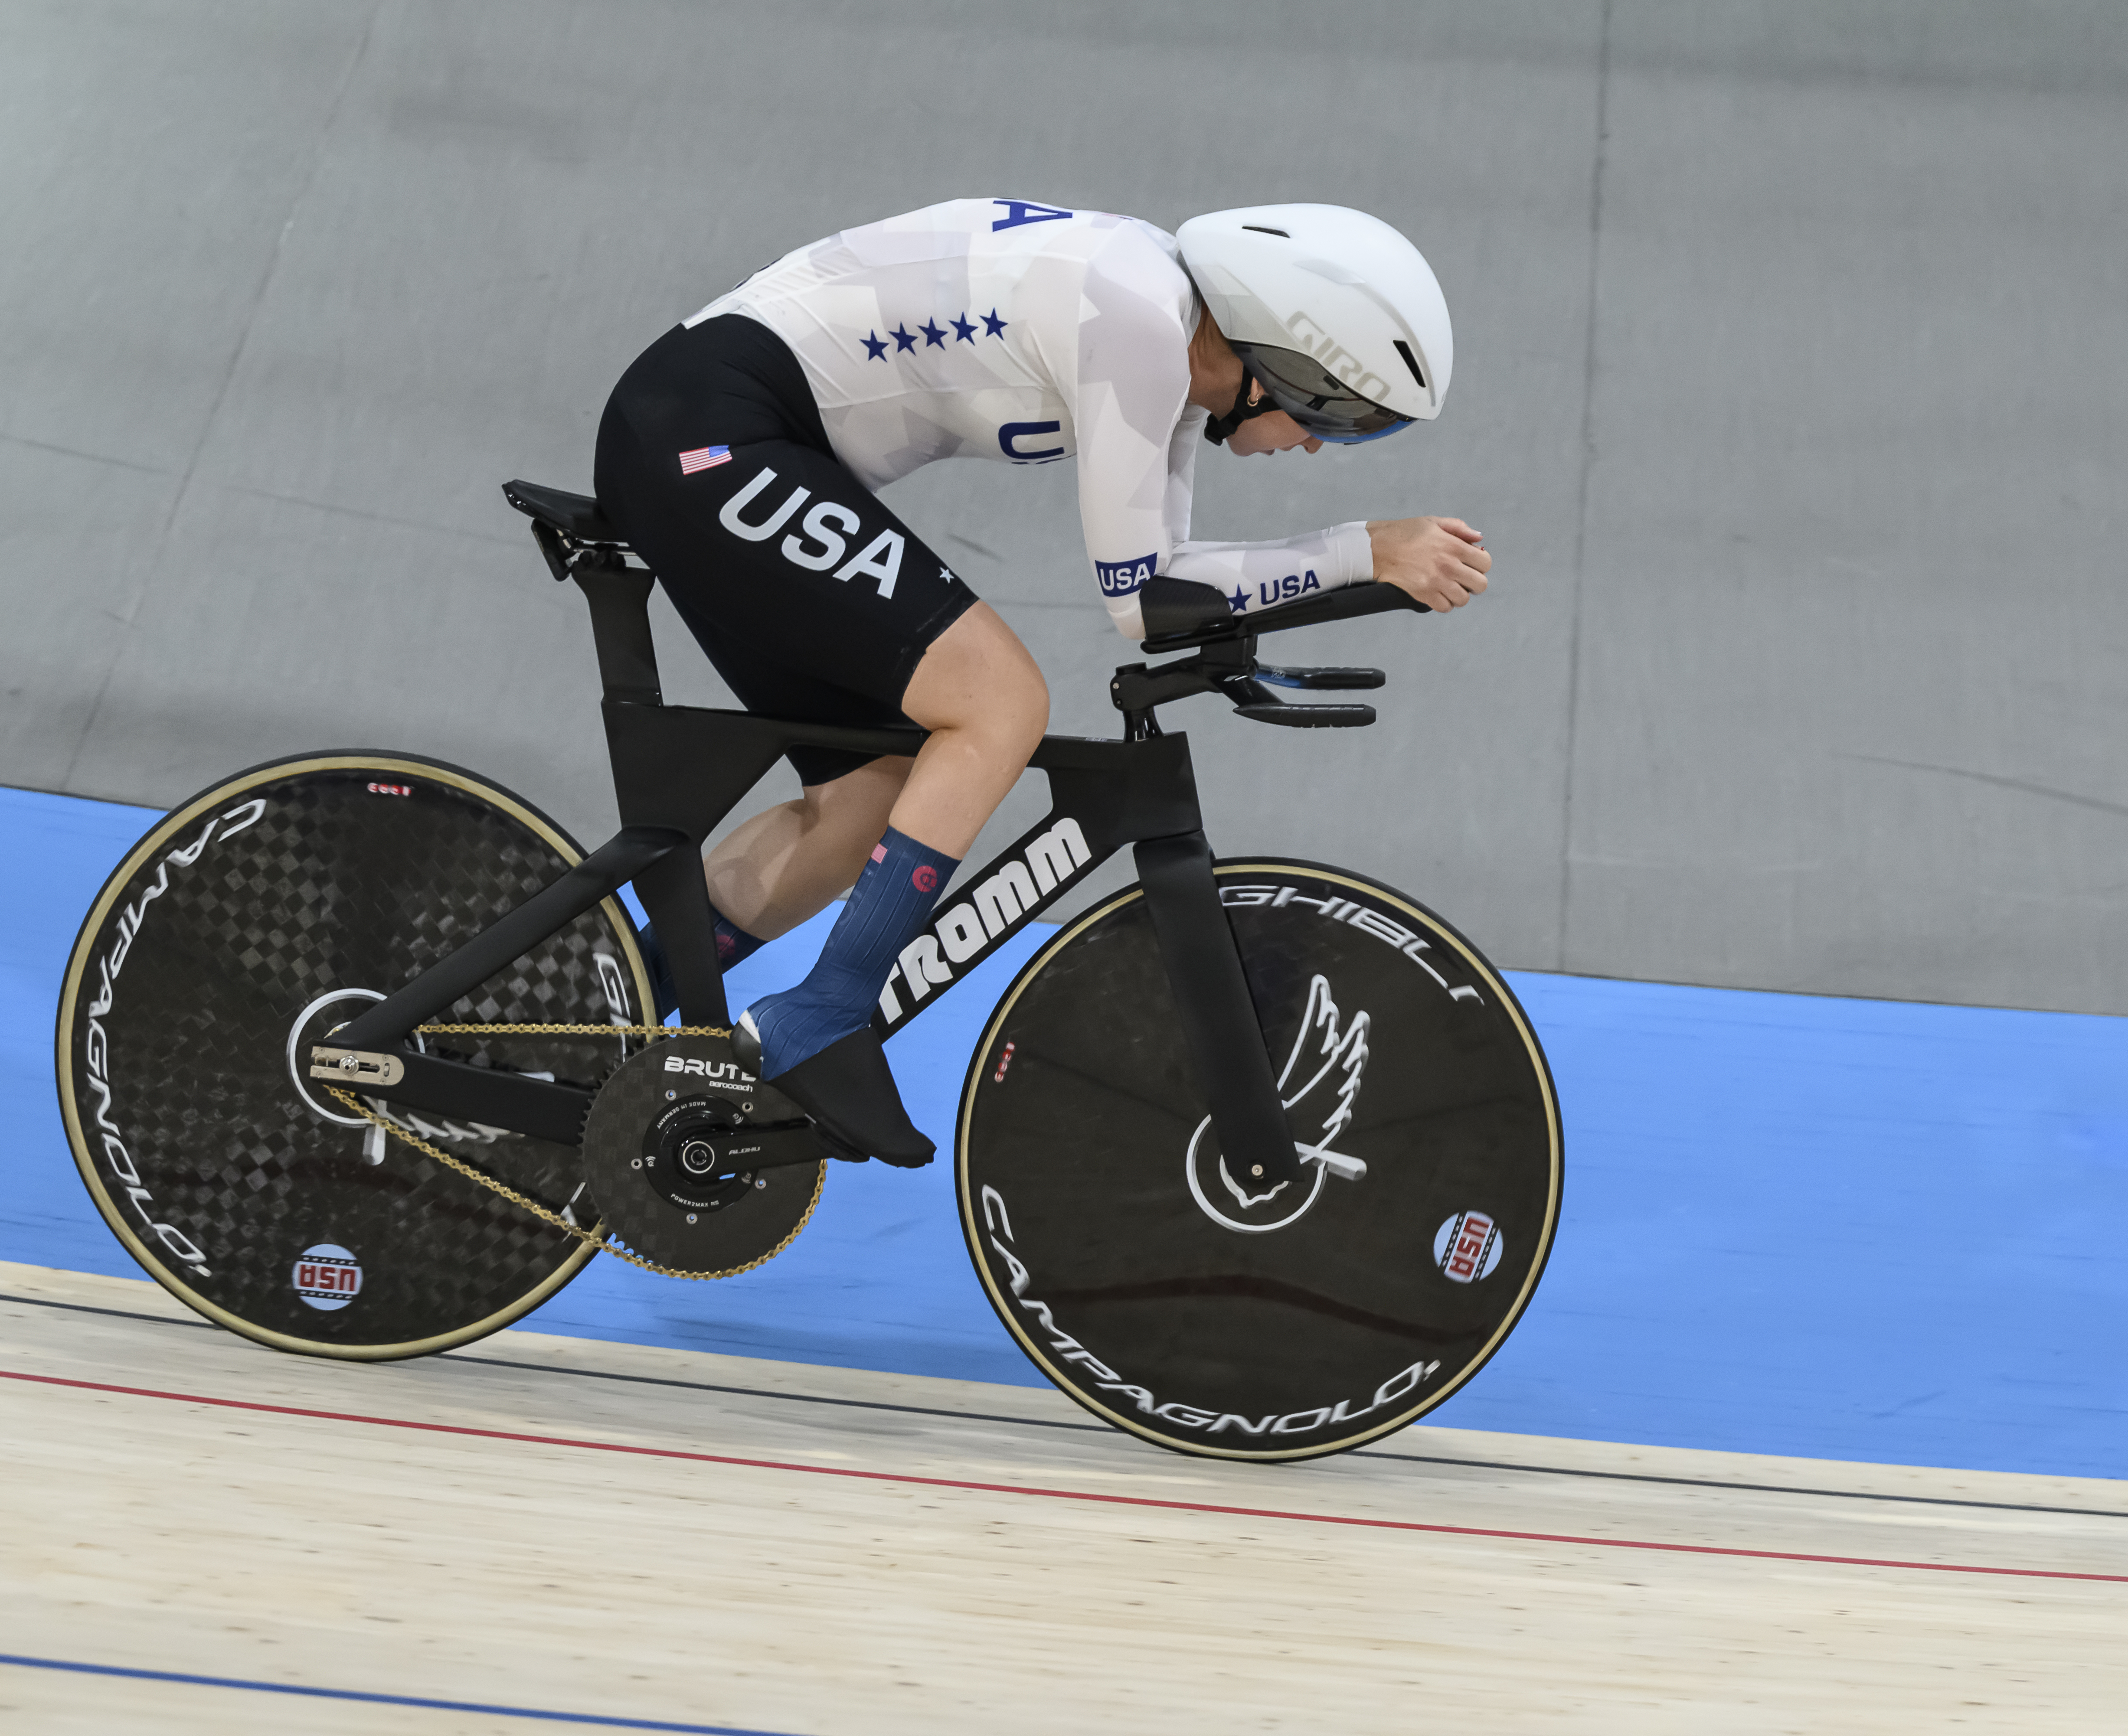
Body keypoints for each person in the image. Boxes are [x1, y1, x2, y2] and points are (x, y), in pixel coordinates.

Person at [589, 199, 1491, 1167]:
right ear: (1283, 365)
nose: (1322, 444)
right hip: (712, 431)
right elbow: (1146, 597)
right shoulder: (1139, 323)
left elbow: (1166, 572)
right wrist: (1366, 549)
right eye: (1340, 417)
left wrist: (1336, 571)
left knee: (870, 804)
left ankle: (588, 1014)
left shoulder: (1165, 336)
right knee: (1001, 703)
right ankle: (827, 1013)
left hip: (708, 425)